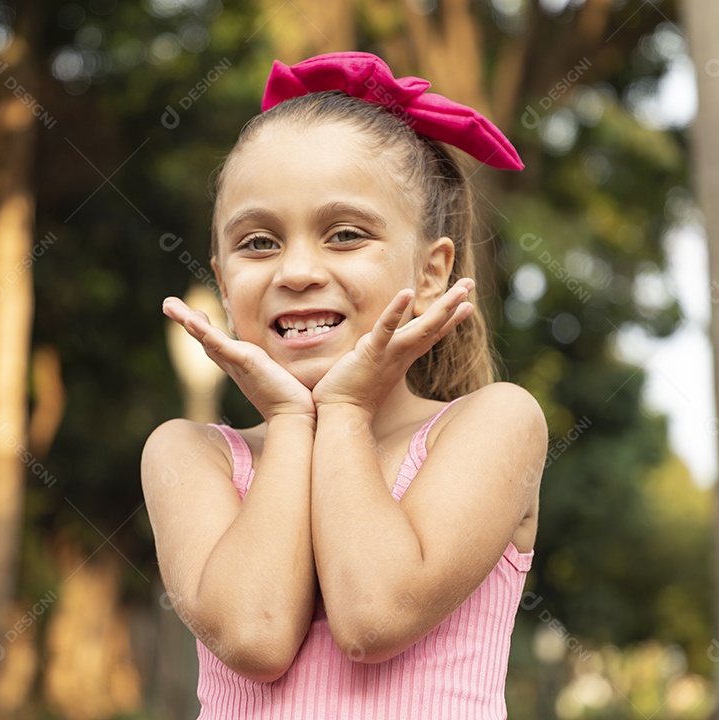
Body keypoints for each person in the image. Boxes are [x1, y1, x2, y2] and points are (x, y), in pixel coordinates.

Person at [142, 51, 548, 719]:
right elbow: (255, 634)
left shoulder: (495, 424)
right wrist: (294, 420)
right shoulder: (189, 455)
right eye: (259, 243)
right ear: (221, 280)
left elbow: (372, 617)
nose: (297, 270)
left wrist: (346, 409)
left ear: (431, 271)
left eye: (346, 234)